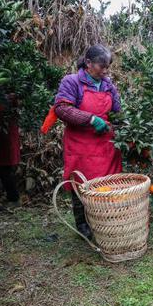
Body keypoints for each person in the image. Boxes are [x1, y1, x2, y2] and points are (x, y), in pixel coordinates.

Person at [48, 44, 122, 239]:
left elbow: (117, 110)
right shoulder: (72, 82)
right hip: (81, 143)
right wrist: (90, 119)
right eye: (102, 66)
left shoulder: (107, 85)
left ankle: (104, 220)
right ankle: (83, 223)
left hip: (105, 143)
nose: (105, 70)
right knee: (81, 182)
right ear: (88, 63)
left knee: (106, 183)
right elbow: (62, 109)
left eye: (108, 66)